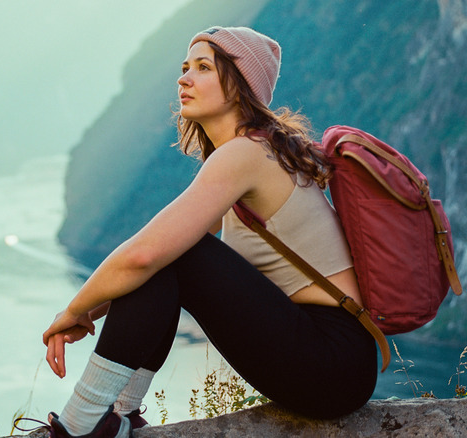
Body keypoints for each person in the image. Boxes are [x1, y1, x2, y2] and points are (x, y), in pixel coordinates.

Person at [39, 26, 377, 438]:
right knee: (172, 254)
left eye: (203, 67)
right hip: (334, 362)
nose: (184, 78)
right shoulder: (256, 150)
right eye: (185, 67)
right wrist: (90, 313)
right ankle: (117, 416)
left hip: (330, 361)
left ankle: (83, 422)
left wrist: (73, 311)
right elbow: (153, 266)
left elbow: (145, 254)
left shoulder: (244, 155)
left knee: (174, 253)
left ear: (240, 87)